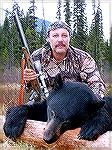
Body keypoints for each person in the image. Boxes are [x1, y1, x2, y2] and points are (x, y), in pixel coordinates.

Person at [24, 21, 106, 100]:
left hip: (74, 106)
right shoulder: (36, 57)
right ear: (48, 39)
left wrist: (90, 102)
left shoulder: (83, 58)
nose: (60, 40)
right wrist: (28, 81)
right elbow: (28, 89)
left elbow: (97, 84)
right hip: (45, 104)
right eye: (55, 36)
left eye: (64, 35)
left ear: (69, 38)